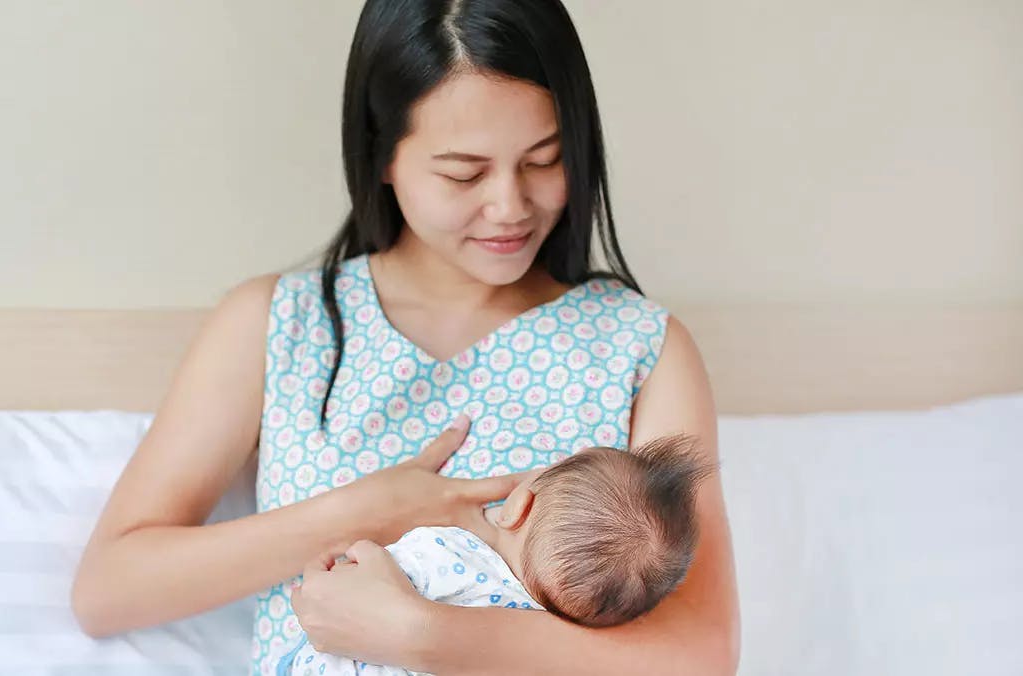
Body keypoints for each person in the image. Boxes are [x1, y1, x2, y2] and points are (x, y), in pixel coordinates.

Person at [72, 0, 740, 673]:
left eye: (546, 158)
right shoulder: (280, 324)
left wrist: (424, 634)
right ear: (382, 153)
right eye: (464, 172)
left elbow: (702, 655)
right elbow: (109, 589)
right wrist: (363, 511)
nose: (510, 205)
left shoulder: (638, 347)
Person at [286, 435, 715, 675]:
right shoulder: (531, 644)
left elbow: (347, 589)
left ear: (516, 506)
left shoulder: (444, 547)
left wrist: (339, 564)